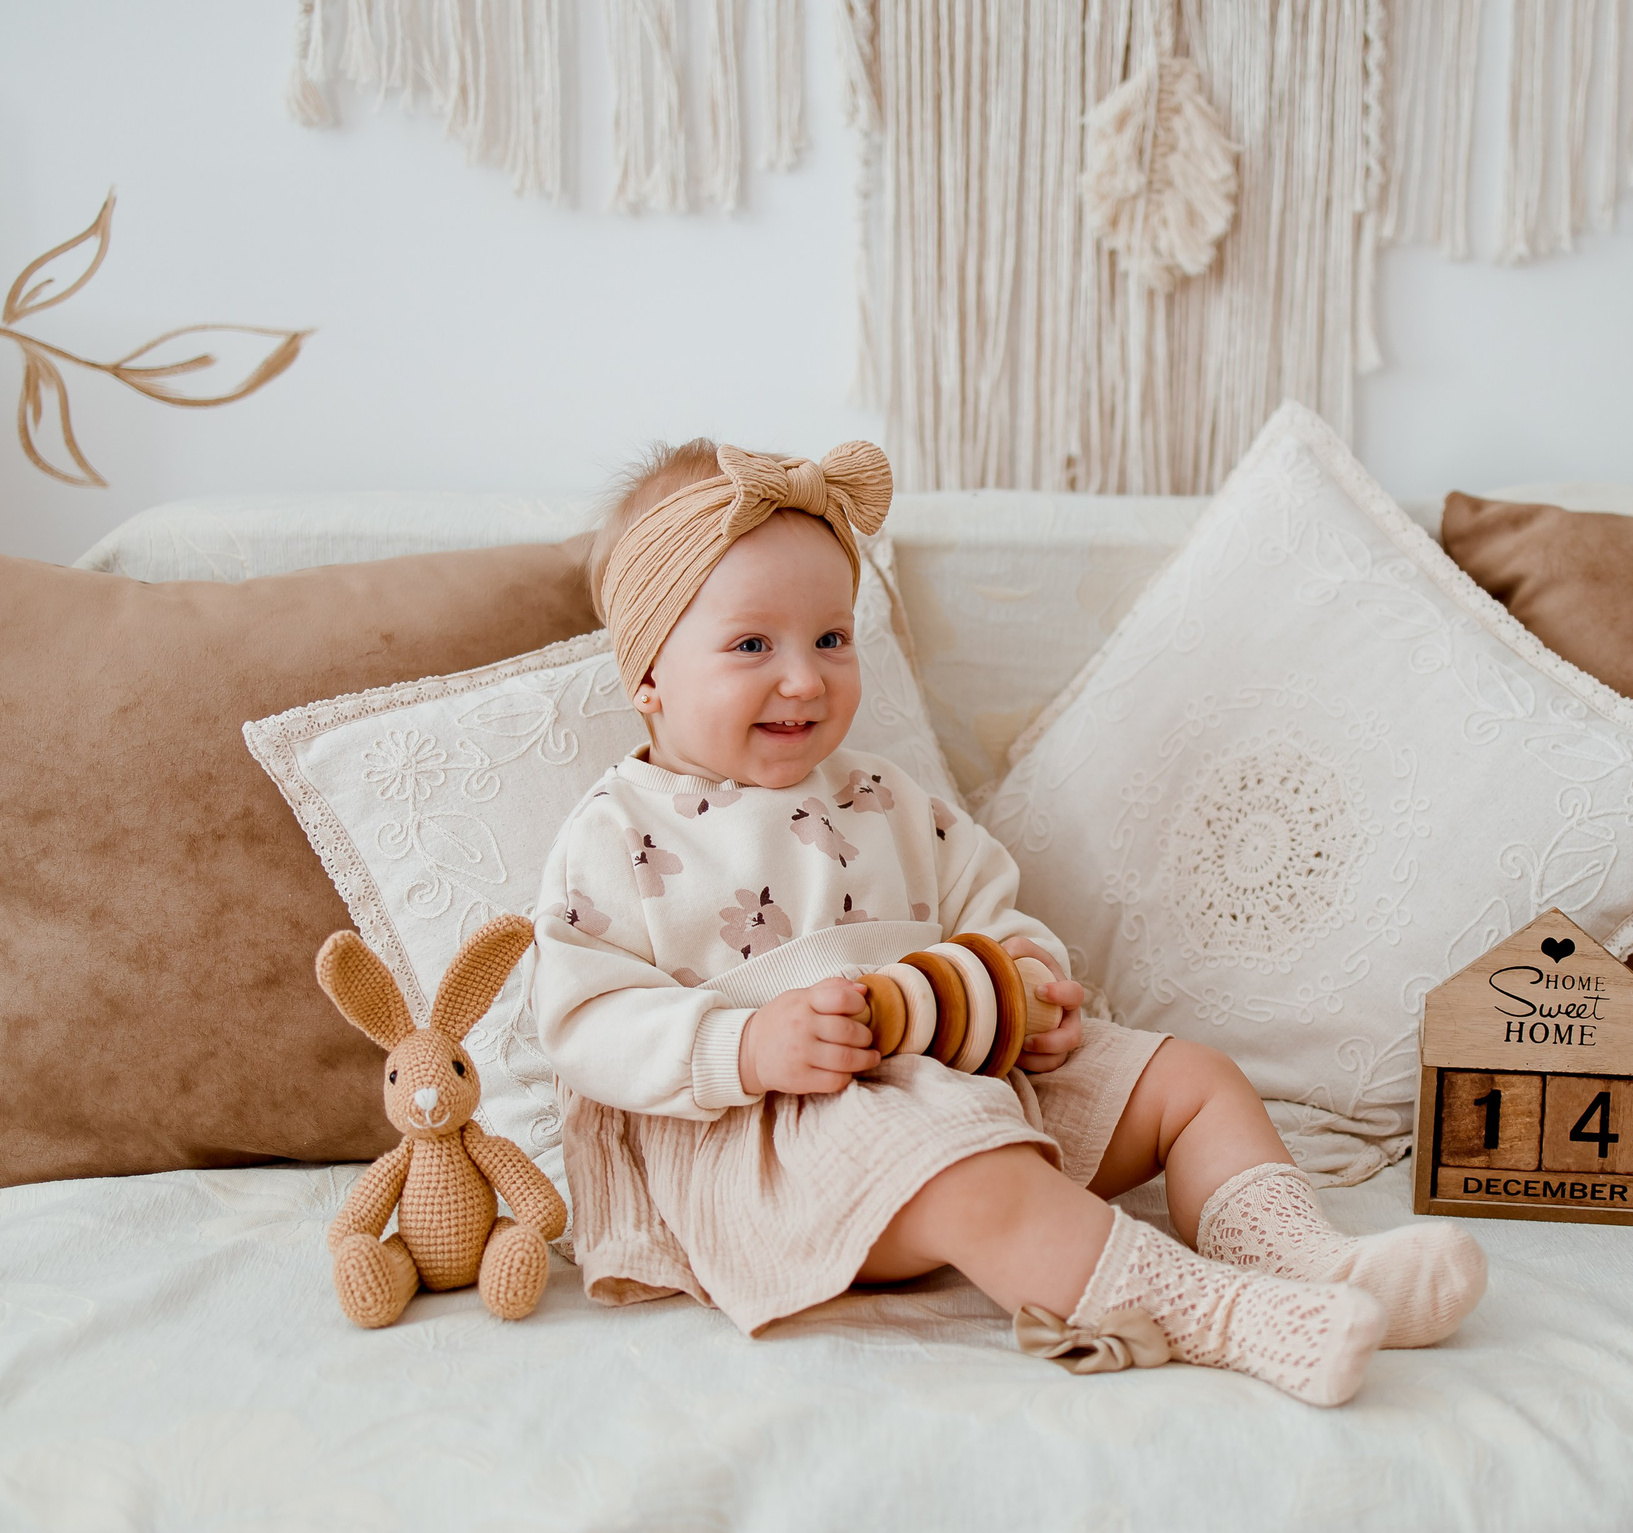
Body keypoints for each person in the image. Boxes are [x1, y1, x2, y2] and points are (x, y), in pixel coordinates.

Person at [534, 437, 1484, 1405]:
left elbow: (986, 906)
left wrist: (1028, 978)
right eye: (751, 646)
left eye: (830, 638)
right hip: (779, 1147)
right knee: (971, 1175)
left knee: (1193, 1078)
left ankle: (1300, 1257)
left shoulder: (883, 796)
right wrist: (741, 1047)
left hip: (952, 1074)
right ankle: (1219, 1316)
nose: (805, 679)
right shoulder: (620, 832)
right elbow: (582, 1020)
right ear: (648, 674)